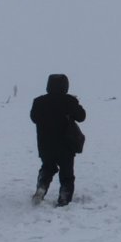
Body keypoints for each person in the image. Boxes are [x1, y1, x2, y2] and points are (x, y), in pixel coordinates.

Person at [30, 74, 86, 206]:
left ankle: (41, 187)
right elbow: (81, 117)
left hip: (45, 145)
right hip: (66, 145)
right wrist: (75, 104)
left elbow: (34, 118)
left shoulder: (38, 101)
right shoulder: (69, 101)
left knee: (47, 168)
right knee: (67, 173)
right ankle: (64, 197)